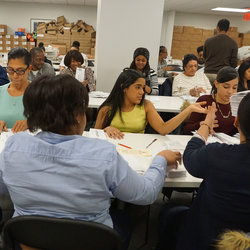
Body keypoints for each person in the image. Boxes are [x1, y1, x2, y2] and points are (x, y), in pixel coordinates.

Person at [0, 74, 182, 249]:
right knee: (124, 218)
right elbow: (146, 194)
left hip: (30, 239)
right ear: (79, 114)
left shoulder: (13, 147)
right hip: (89, 241)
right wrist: (160, 161)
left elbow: (3, 186)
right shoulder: (103, 154)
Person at [157, 92, 250, 250]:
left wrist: (206, 124)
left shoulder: (218, 155)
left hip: (206, 237)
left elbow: (190, 156)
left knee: (169, 212)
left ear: (236, 121)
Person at [94, 68, 208, 139]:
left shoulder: (146, 106)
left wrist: (188, 109)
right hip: (113, 150)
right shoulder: (107, 109)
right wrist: (105, 129)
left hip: (139, 150)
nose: (141, 92)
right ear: (123, 88)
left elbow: (163, 129)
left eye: (143, 87)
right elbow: (94, 136)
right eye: (137, 87)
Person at [184, 66, 238, 136]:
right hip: (205, 144)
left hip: (229, 145)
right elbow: (186, 130)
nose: (230, 91)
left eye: (234, 88)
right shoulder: (204, 101)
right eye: (226, 87)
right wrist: (203, 124)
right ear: (216, 84)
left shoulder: (238, 104)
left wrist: (240, 127)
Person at [0, 47, 30, 134]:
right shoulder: (1, 92)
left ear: (29, 69)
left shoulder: (39, 93)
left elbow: (50, 121)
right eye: (10, 70)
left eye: (20, 71)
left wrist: (31, 123)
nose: (15, 76)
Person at [204, 19, 238, 85]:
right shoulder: (233, 43)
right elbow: (234, 63)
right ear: (229, 29)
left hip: (208, 73)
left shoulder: (208, 41)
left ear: (218, 28)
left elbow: (204, 56)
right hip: (223, 75)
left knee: (207, 94)